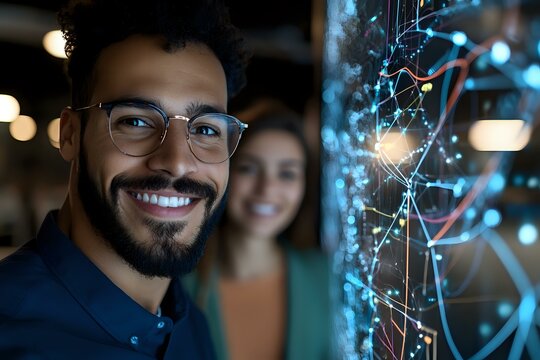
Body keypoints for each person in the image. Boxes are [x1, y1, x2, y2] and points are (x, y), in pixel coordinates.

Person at [0, 0, 249, 358]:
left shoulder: (191, 322)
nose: (177, 162)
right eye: (135, 121)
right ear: (70, 135)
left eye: (206, 129)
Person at [183, 99, 331, 360]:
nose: (267, 189)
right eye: (249, 168)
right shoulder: (178, 284)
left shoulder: (327, 279)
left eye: (287, 174)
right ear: (225, 173)